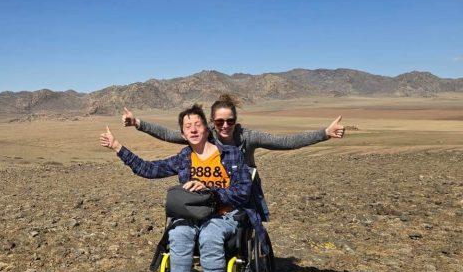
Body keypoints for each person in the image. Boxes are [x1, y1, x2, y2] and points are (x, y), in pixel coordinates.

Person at [100, 104, 254, 272]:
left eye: (197, 124)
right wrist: (118, 147)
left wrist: (212, 193)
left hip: (223, 217)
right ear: (183, 134)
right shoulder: (184, 157)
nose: (193, 129)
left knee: (210, 237)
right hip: (191, 216)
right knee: (179, 234)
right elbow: (148, 169)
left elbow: (244, 191)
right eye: (187, 126)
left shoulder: (231, 154)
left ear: (207, 128)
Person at [122, 94, 346, 224]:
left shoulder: (247, 137)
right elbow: (170, 134)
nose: (225, 126)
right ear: (212, 122)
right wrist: (138, 123)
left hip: (241, 192)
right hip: (207, 195)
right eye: (219, 122)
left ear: (236, 121)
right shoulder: (204, 134)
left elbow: (285, 141)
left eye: (230, 121)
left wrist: (324, 133)